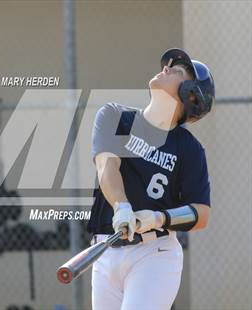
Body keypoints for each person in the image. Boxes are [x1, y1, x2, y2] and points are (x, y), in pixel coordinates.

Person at [88, 48, 215, 310]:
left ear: (191, 95)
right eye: (168, 65)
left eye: (177, 71)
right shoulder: (114, 117)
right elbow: (106, 165)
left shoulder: (189, 149)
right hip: (105, 250)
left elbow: (201, 213)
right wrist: (122, 207)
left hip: (154, 254)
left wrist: (159, 218)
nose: (166, 68)